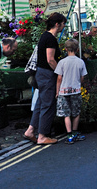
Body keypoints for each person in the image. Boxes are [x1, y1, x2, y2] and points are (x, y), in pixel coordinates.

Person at [24, 12, 67, 145]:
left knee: (40, 103)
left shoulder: (44, 36)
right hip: (47, 74)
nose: (63, 26)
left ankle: (30, 131)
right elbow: (50, 59)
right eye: (63, 24)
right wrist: (60, 72)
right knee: (48, 105)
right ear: (57, 24)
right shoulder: (50, 39)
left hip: (41, 73)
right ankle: (42, 136)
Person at [55, 39, 87, 143]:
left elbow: (59, 78)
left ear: (65, 49)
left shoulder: (62, 62)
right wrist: (78, 82)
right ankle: (75, 132)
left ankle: (69, 135)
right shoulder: (80, 62)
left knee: (66, 114)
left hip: (64, 91)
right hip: (76, 90)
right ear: (77, 49)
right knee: (76, 113)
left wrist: (57, 91)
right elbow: (83, 77)